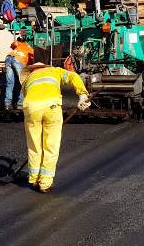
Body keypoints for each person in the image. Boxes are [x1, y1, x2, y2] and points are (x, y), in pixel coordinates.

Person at [19, 61, 90, 193]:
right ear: (45, 67)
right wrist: (82, 95)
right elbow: (73, 76)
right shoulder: (54, 71)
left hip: (31, 109)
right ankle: (45, 183)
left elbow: (27, 96)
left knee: (34, 146)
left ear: (32, 70)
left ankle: (34, 178)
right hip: (52, 107)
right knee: (51, 146)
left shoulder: (28, 79)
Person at [4, 34, 34, 110]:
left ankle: (7, 104)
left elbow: (12, 45)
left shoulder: (19, 44)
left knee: (10, 83)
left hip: (8, 58)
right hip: (18, 60)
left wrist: (18, 40)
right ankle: (20, 104)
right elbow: (31, 64)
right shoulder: (30, 49)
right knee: (23, 82)